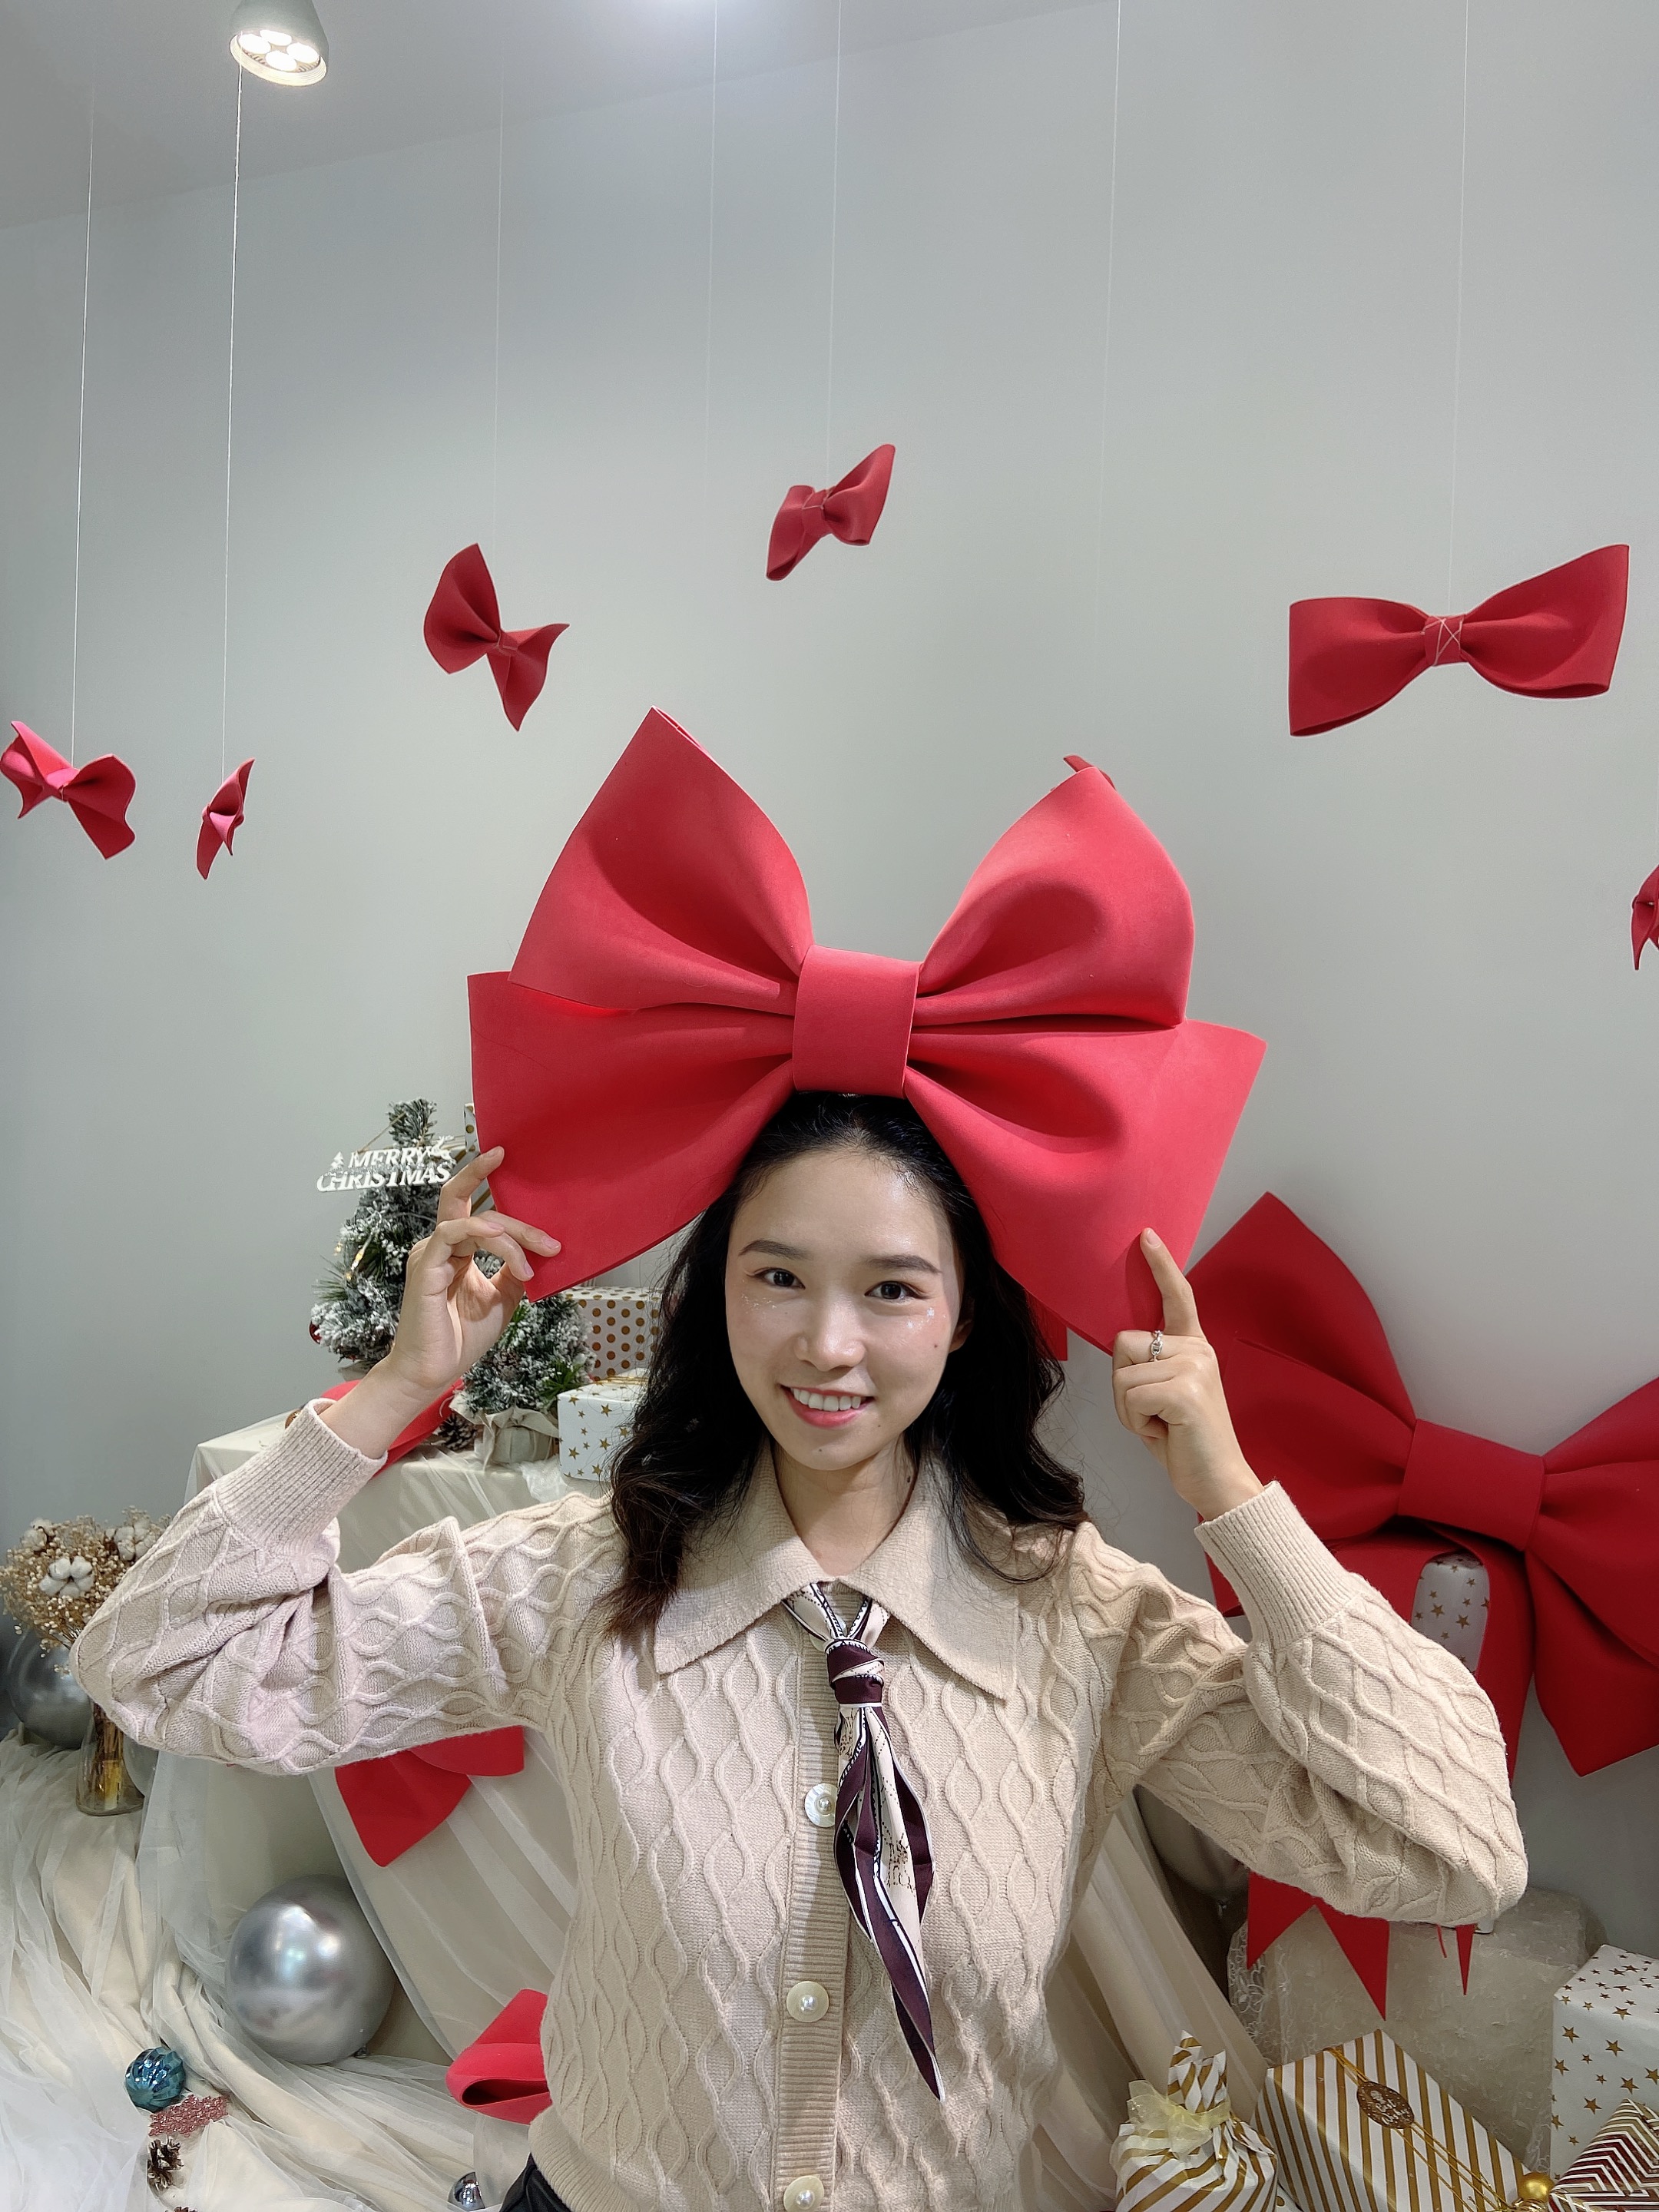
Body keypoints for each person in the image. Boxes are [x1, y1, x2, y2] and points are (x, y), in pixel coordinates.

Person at [75, 1091, 1526, 2212]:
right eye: (779, 1277)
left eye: (892, 1289)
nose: (829, 1345)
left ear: (964, 1318)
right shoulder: (587, 1573)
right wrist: (398, 1389)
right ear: (719, 1294)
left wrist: (1235, 1499)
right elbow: (158, 1666)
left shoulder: (1080, 1616)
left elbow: (1452, 1851)